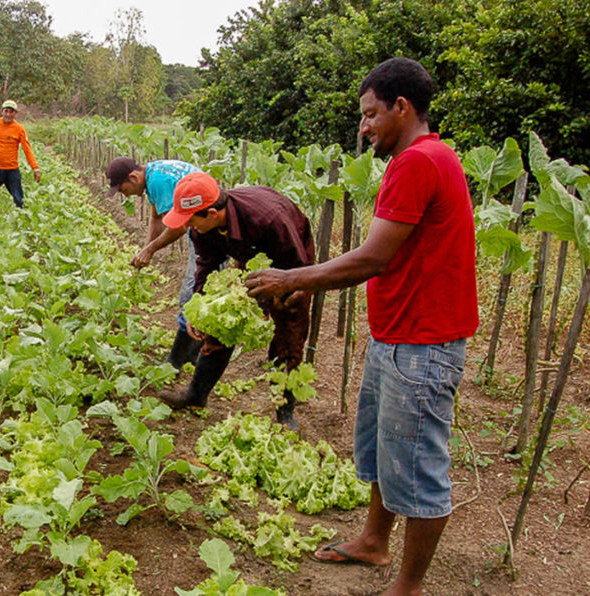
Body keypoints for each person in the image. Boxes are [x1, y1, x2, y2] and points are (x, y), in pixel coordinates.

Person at [245, 57, 476, 595]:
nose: (364, 127)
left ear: (402, 107)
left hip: (421, 342)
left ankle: (407, 586)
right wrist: (310, 281)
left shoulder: (420, 162)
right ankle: (374, 541)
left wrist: (292, 276)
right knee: (383, 451)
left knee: (417, 469)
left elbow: (373, 258)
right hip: (397, 333)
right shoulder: (421, 159)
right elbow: (386, 253)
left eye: (371, 114)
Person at [157, 172, 314, 431]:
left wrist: (266, 305)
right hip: (249, 255)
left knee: (289, 332)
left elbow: (296, 269)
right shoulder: (203, 228)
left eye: (191, 220)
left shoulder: (269, 219)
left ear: (212, 213)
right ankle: (196, 395)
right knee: (223, 320)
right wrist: (201, 310)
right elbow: (205, 267)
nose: (188, 226)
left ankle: (285, 413)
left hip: (291, 263)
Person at [104, 157, 205, 368]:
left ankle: (177, 361)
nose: (125, 195)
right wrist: (146, 249)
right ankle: (193, 354)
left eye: (123, 189)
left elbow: (178, 227)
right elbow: (158, 218)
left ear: (133, 177)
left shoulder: (158, 181)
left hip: (208, 228)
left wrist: (150, 250)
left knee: (191, 293)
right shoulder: (154, 174)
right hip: (201, 225)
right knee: (198, 290)